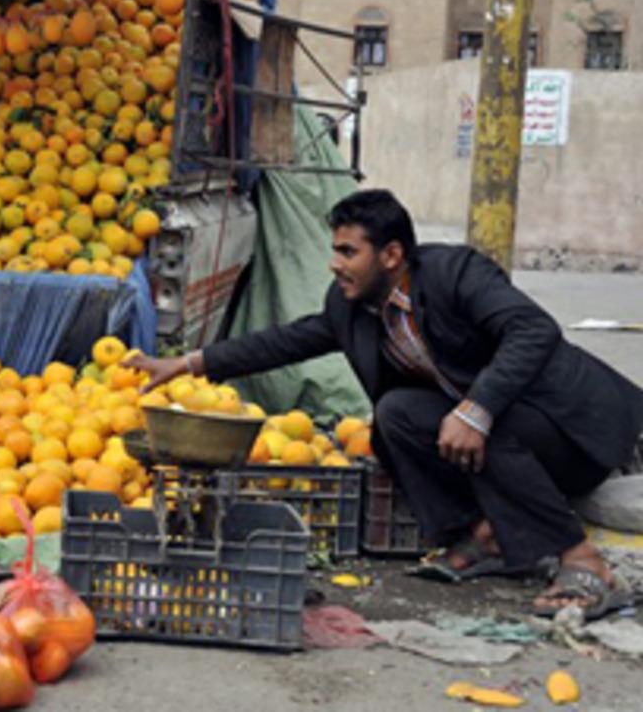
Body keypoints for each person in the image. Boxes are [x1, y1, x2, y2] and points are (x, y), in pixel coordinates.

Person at [127, 189, 643, 619]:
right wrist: (190, 363)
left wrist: (476, 409)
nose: (335, 265)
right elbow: (288, 340)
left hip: (569, 430)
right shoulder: (351, 306)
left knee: (487, 415)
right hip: (503, 439)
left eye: (348, 252)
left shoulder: (454, 273)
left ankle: (584, 560)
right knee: (395, 414)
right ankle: (480, 534)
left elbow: (533, 330)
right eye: (334, 250)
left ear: (391, 255)